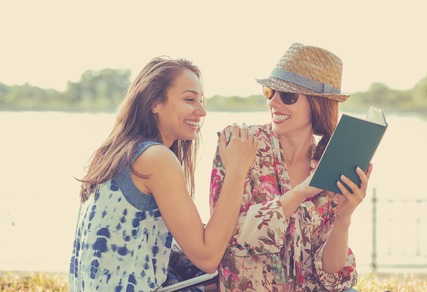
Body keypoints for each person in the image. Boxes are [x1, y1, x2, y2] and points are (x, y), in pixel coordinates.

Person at [68, 56, 257, 291]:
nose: (201, 111)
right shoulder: (156, 158)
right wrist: (237, 169)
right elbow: (208, 257)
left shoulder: (115, 152)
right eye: (189, 99)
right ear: (155, 103)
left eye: (201, 100)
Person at [209, 43, 372, 291]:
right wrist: (301, 192)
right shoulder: (240, 144)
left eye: (288, 96)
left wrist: (344, 218)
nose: (274, 102)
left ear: (318, 104)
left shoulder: (330, 164)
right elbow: (228, 239)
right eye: (270, 92)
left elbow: (330, 274)